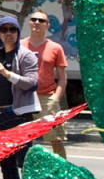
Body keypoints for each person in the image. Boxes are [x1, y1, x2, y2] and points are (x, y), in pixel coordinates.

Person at [0, 15, 39, 179]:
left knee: (25, 161)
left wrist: (7, 73)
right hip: (0, 116)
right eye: (4, 30)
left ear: (18, 33)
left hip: (20, 115)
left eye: (12, 30)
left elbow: (31, 84)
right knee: (5, 163)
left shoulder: (26, 55)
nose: (8, 33)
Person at [26, 11, 71, 157]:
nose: (37, 22)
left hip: (47, 98)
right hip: (24, 97)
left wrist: (55, 99)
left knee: (56, 140)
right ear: (29, 22)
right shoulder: (20, 45)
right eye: (34, 19)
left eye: (41, 20)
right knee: (22, 141)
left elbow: (62, 78)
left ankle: (62, 173)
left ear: (47, 25)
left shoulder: (55, 48)